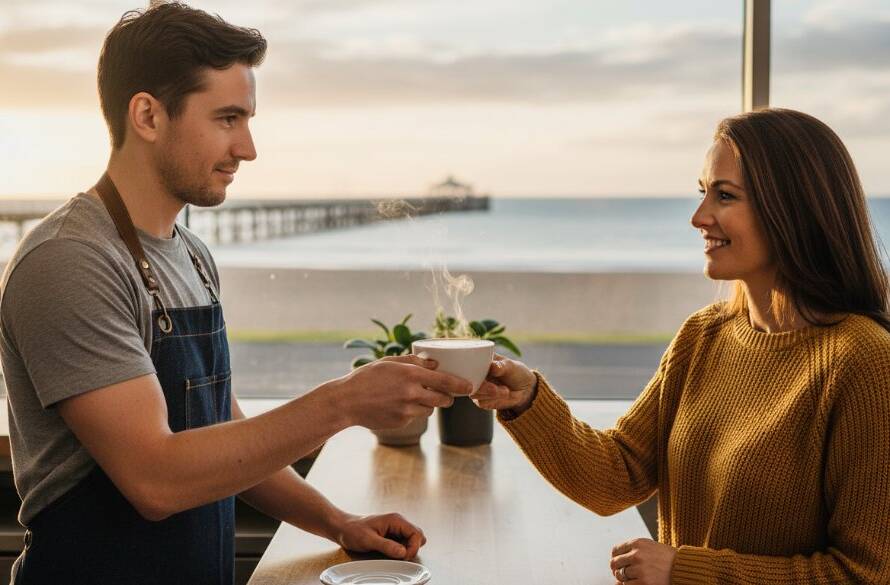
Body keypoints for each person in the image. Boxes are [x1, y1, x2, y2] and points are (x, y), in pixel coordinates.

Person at [0, 4, 471, 584]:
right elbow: (156, 480)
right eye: (227, 119)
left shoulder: (191, 254)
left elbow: (223, 431)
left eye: (247, 119)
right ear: (147, 115)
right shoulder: (71, 261)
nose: (247, 148)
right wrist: (343, 403)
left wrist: (337, 523)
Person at [473, 108, 890, 584]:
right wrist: (526, 400)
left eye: (725, 195)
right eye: (703, 192)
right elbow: (617, 476)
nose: (699, 217)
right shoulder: (704, 335)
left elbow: (865, 575)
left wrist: (684, 571)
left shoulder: (864, 363)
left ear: (792, 209)